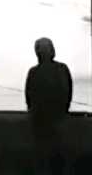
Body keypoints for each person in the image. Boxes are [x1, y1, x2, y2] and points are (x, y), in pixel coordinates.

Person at [25, 37, 73, 175]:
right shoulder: (59, 69)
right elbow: (67, 91)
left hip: (50, 119)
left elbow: (29, 96)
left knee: (50, 156)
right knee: (49, 157)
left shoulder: (55, 70)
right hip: (48, 119)